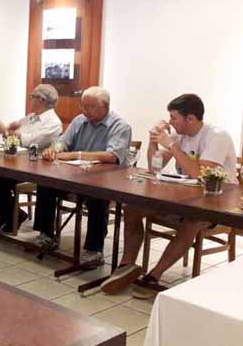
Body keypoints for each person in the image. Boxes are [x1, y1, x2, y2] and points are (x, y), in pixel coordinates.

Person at [101, 94, 238, 298]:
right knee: (132, 209)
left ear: (190, 118)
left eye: (174, 117)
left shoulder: (217, 136)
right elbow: (154, 167)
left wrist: (173, 146)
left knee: (191, 221)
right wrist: (154, 141)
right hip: (184, 197)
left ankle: (154, 276)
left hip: (218, 203)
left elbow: (201, 175)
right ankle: (126, 266)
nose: (170, 122)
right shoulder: (179, 135)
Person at [33, 86, 132, 268]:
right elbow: (63, 141)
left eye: (91, 107)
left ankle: (94, 250)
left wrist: (76, 154)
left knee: (98, 196)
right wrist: (55, 149)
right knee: (46, 183)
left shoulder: (120, 126)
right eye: (83, 106)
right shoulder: (79, 120)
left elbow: (112, 156)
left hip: (104, 180)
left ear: (105, 106)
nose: (85, 111)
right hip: (74, 176)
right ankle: (46, 235)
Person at [0, 84, 63, 233]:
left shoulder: (53, 123)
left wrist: (9, 132)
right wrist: (7, 131)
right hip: (15, 162)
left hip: (34, 168)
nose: (30, 100)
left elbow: (30, 141)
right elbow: (12, 136)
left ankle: (10, 214)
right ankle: (10, 213)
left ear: (41, 99)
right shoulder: (30, 117)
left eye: (32, 97)